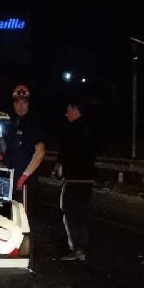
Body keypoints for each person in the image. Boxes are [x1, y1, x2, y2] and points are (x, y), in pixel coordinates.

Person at [58, 101, 95, 262]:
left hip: (73, 179)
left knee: (69, 212)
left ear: (74, 109)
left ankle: (75, 247)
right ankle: (82, 248)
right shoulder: (90, 128)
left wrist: (60, 167)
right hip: (87, 180)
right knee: (82, 214)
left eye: (68, 110)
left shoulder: (71, 129)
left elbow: (65, 153)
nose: (66, 114)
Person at [4, 85, 45, 216]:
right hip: (10, 180)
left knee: (22, 218)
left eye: (24, 102)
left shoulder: (33, 123)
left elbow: (40, 152)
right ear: (13, 104)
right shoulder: (10, 122)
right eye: (17, 102)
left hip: (25, 183)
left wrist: (24, 177)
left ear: (28, 103)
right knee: (8, 217)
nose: (21, 106)